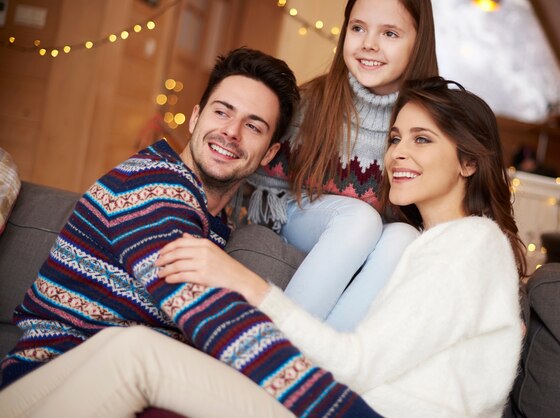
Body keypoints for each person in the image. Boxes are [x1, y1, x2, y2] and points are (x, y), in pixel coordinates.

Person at [0, 47, 380, 418]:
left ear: (268, 153)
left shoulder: (215, 226)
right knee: (137, 351)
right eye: (222, 112)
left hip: (103, 392)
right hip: (40, 386)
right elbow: (206, 312)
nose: (231, 132)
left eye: (253, 126)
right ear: (195, 117)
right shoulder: (149, 186)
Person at [140, 77, 527, 417]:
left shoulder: (470, 245)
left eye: (422, 139)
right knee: (135, 357)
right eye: (395, 139)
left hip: (351, 406)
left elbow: (354, 365)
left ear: (469, 163)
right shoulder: (430, 245)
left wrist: (246, 284)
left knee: (136, 361)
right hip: (337, 400)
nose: (397, 154)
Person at [247, 0, 439, 331]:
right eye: (358, 28)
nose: (369, 44)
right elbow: (266, 195)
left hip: (373, 238)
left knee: (405, 238)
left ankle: (321, 363)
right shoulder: (311, 102)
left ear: (418, 42)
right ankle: (273, 343)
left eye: (390, 33)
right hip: (300, 213)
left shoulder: (430, 123)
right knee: (360, 219)